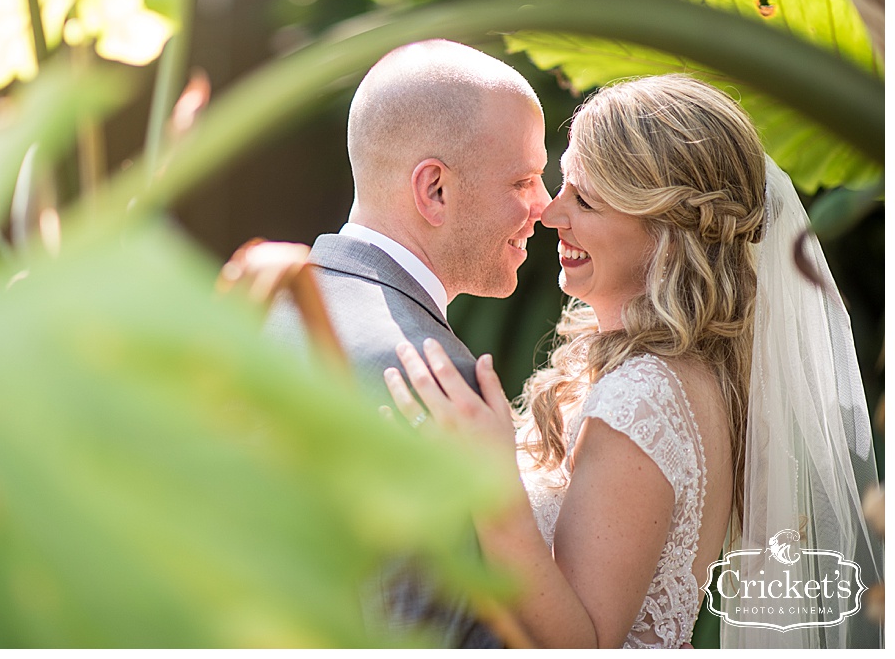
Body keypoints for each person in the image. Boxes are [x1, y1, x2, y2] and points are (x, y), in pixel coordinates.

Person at [384, 74, 883, 648]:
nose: (550, 214)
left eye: (586, 200)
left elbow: (584, 643)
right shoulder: (671, 372)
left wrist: (491, 485)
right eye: (563, 185)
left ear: (665, 232)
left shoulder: (644, 398)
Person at [265, 38, 550, 648]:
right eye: (524, 180)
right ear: (435, 191)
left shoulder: (264, 315)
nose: (544, 207)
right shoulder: (437, 378)